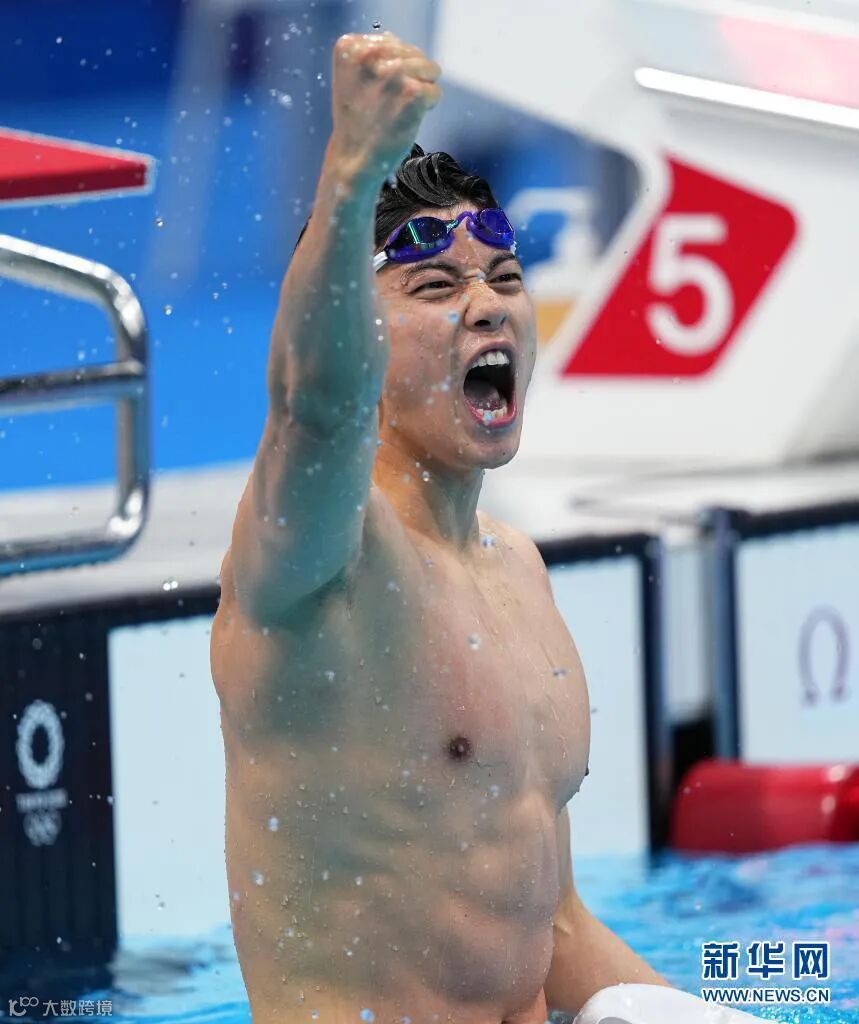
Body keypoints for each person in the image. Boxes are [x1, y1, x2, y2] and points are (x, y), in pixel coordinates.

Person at [211, 30, 670, 1024]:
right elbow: (314, 406)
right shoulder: (321, 565)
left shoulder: (516, 570)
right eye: (435, 287)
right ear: (360, 335)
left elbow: (555, 926)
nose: (487, 306)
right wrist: (351, 172)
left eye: (504, 277)